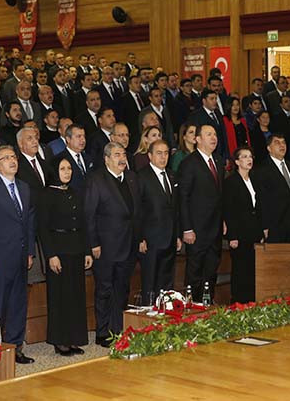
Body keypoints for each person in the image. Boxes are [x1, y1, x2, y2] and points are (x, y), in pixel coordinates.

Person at [0, 145, 35, 364]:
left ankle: (15, 348)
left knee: (18, 303)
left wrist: (30, 250)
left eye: (14, 157)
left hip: (21, 255)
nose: (12, 160)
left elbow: (30, 221)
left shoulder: (24, 187)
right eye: (6, 158)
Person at [85, 142, 141, 346]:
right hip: (105, 245)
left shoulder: (132, 178)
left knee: (122, 288)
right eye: (117, 154)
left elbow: (137, 212)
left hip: (129, 244)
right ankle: (102, 332)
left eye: (124, 154)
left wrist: (139, 237)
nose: (122, 158)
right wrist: (93, 243)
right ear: (106, 158)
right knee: (104, 289)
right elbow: (89, 214)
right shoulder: (96, 179)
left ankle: (118, 328)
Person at [38, 156, 92, 356]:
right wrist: (51, 255)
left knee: (76, 296)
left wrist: (87, 251)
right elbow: (42, 228)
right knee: (60, 296)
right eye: (62, 168)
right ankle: (60, 340)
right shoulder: (46, 195)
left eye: (69, 168)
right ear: (54, 171)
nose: (67, 172)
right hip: (58, 250)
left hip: (77, 248)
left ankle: (74, 338)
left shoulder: (74, 192)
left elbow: (84, 224)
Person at [179, 125, 225, 302]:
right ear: (197, 139)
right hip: (197, 229)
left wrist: (224, 219)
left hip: (215, 228)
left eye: (214, 134)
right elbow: (183, 198)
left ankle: (207, 305)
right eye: (208, 134)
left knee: (211, 270)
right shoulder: (189, 163)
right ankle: (192, 307)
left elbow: (220, 195)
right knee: (195, 271)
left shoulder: (218, 162)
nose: (214, 137)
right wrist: (187, 228)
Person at [137, 140, 180, 305]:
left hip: (169, 238)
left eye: (166, 153)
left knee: (167, 282)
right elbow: (138, 210)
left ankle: (165, 316)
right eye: (159, 153)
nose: (163, 157)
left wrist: (176, 235)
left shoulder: (171, 175)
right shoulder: (141, 176)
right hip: (150, 240)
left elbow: (175, 208)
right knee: (150, 282)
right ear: (150, 156)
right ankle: (149, 318)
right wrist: (140, 237)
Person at [223, 146, 266, 303]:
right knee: (240, 270)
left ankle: (251, 301)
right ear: (237, 161)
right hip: (239, 234)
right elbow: (229, 210)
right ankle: (238, 301)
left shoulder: (255, 179)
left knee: (253, 269)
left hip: (254, 232)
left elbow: (260, 207)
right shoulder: (231, 182)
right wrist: (232, 236)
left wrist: (262, 231)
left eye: (250, 157)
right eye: (245, 157)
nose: (249, 160)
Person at [254, 134, 290, 242]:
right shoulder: (262, 170)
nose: (282, 145)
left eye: (283, 142)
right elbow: (262, 200)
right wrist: (264, 226)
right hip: (274, 226)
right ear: (269, 148)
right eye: (277, 142)